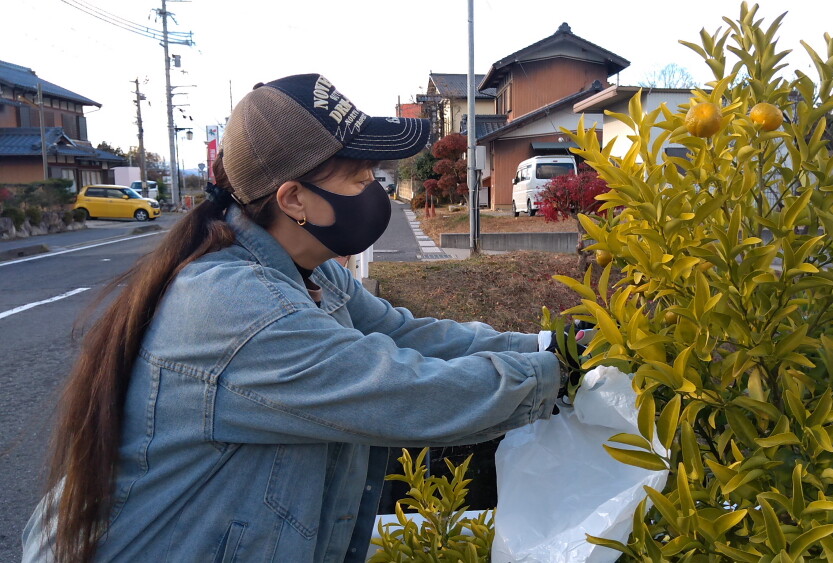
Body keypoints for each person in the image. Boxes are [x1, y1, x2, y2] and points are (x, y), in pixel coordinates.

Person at [22, 73, 565, 562]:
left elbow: (404, 334)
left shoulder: (308, 270)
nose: (375, 192)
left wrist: (546, 345)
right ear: (294, 199)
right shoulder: (242, 310)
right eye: (359, 179)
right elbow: (405, 391)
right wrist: (557, 375)